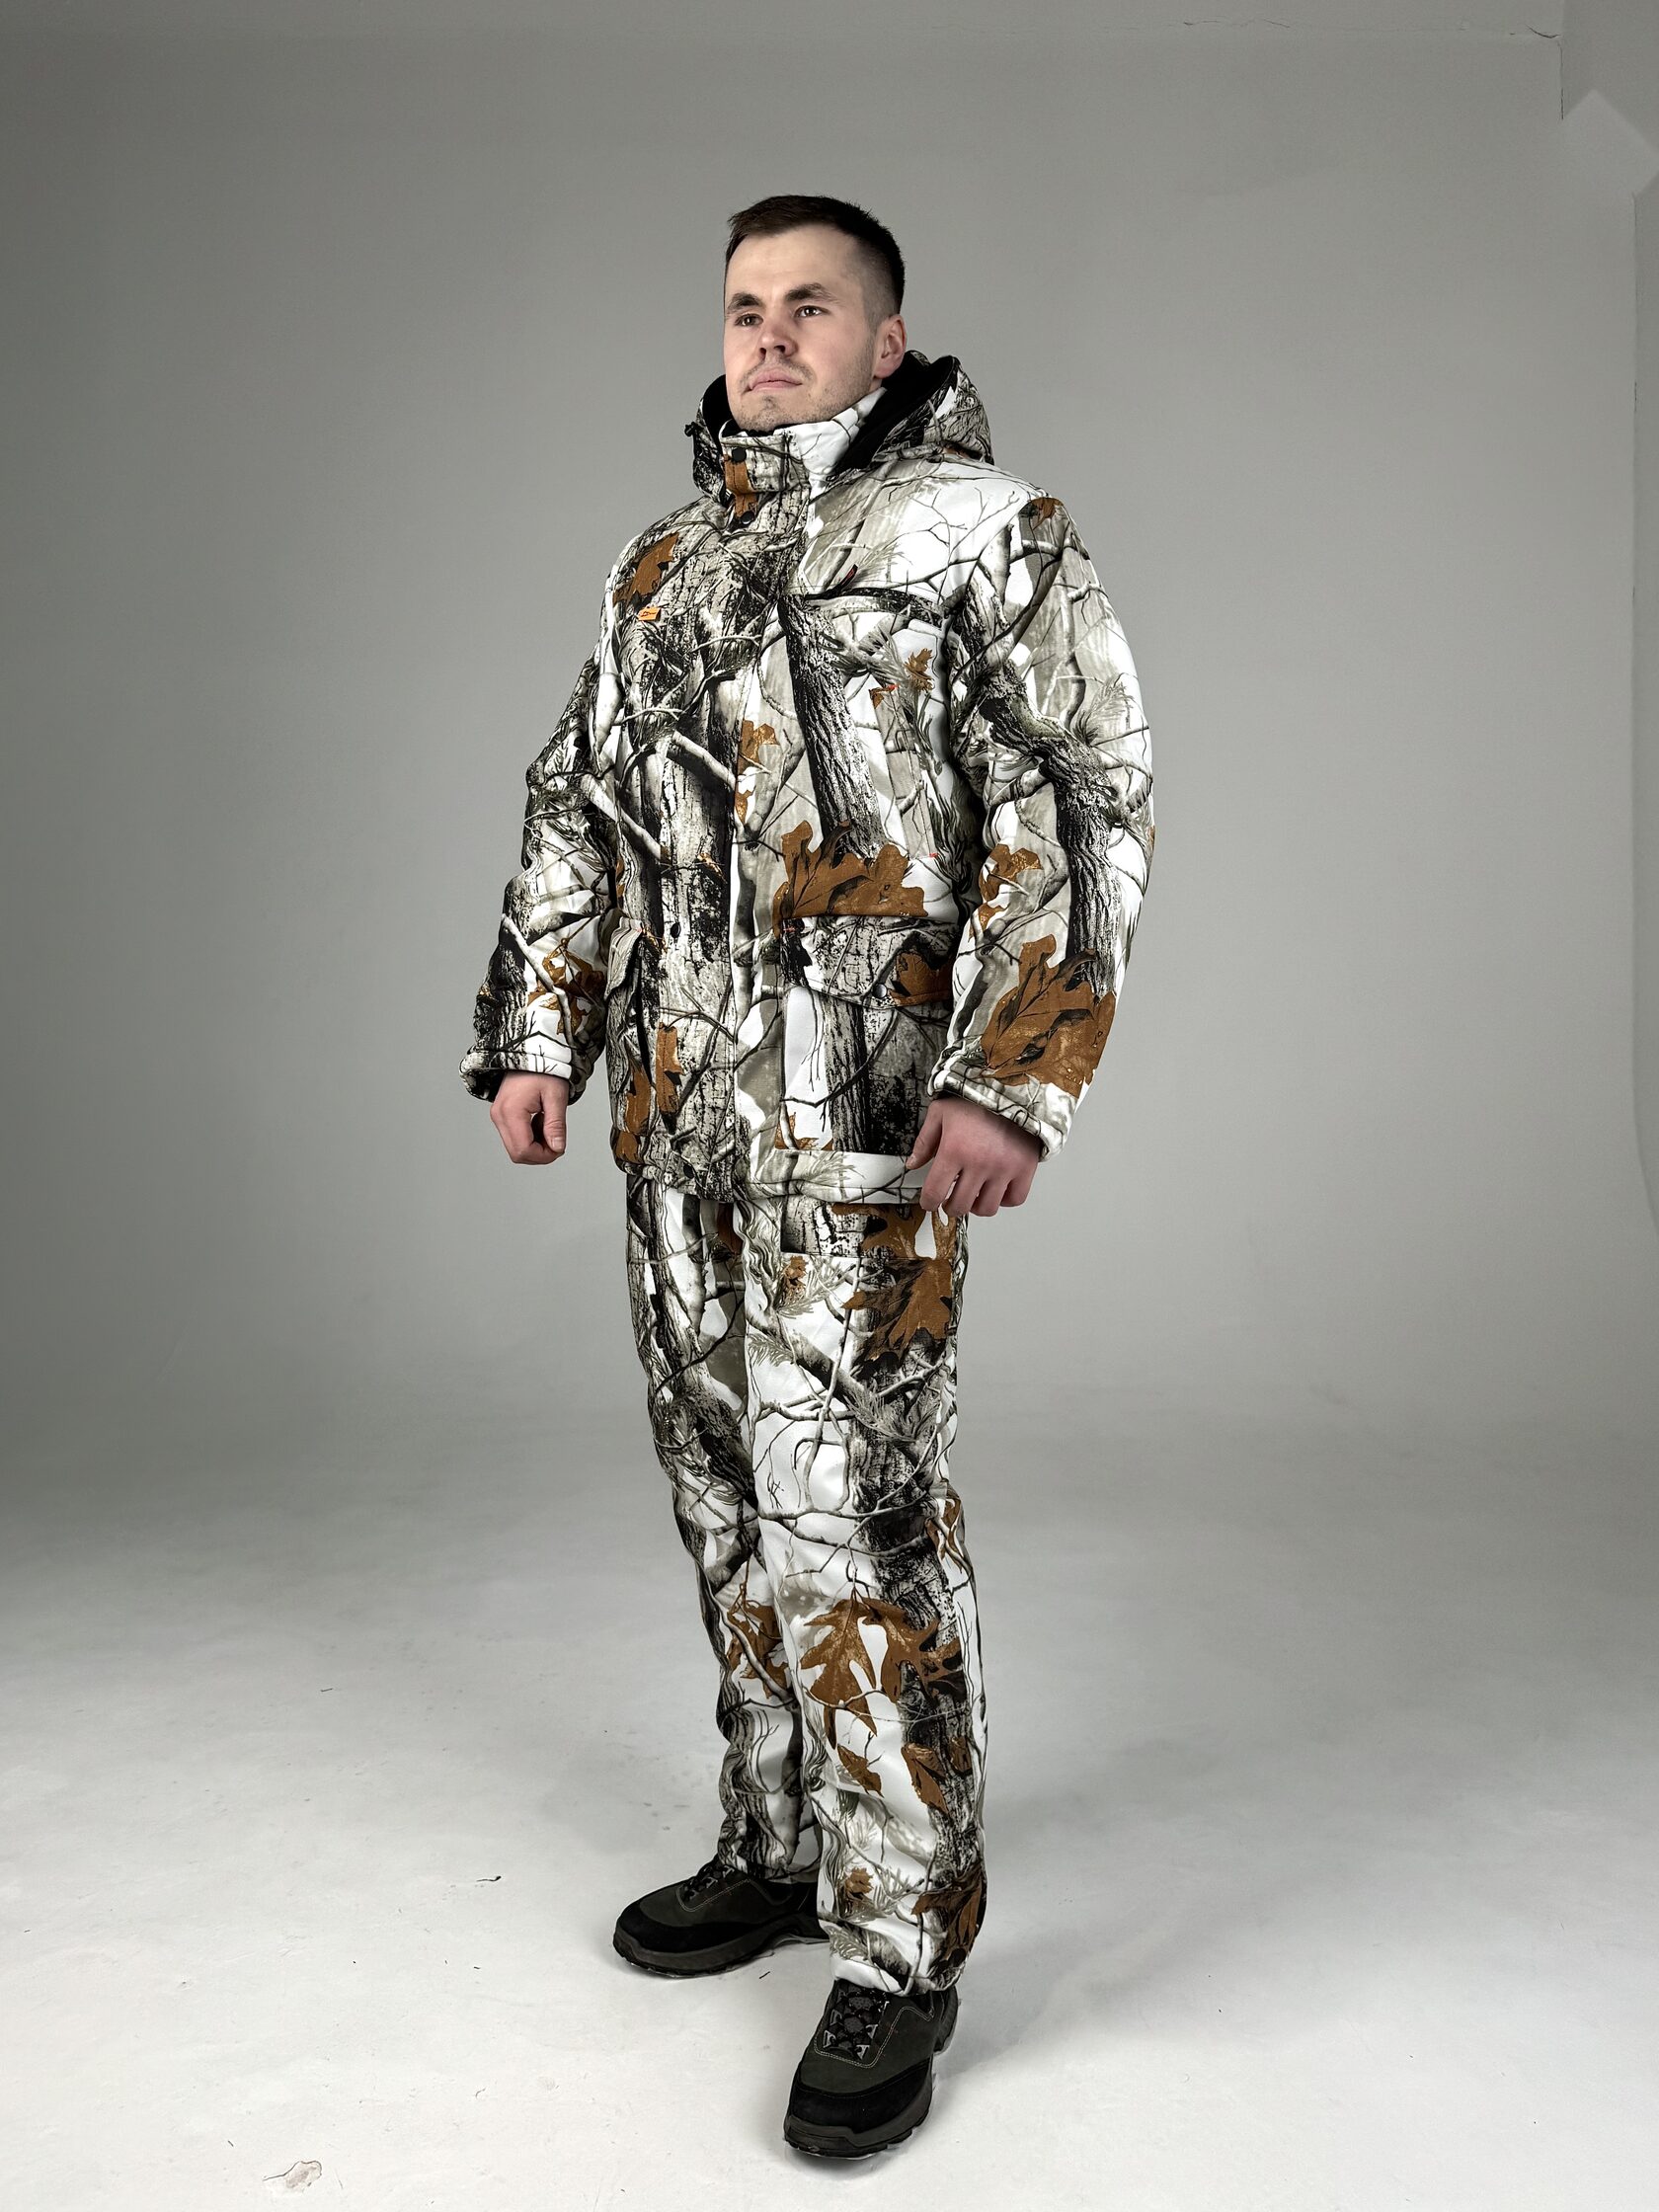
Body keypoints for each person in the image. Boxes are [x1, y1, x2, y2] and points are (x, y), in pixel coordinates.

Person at [459, 191, 1154, 2159]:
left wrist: (1013, 1077)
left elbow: (1077, 800)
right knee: (722, 1500)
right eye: (745, 308)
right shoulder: (665, 561)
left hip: (864, 1121)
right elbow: (579, 797)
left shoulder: (988, 535)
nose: (768, 339)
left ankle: (901, 1941)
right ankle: (776, 1840)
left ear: (888, 331)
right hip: (679, 1120)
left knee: (851, 1517)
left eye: (810, 306)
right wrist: (540, 1029)